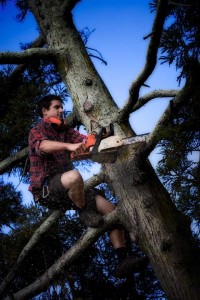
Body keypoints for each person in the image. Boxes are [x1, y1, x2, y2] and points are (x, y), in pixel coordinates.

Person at [28, 94, 148, 278]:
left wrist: (100, 139)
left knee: (111, 211)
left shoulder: (65, 131)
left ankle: (123, 258)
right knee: (75, 176)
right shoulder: (37, 130)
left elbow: (86, 143)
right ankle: (84, 211)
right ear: (45, 111)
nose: (61, 110)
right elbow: (42, 146)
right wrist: (69, 147)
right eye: (57, 107)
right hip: (48, 189)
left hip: (71, 191)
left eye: (62, 107)